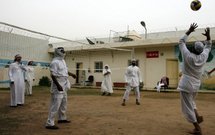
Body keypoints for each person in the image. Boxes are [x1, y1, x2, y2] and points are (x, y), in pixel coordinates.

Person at [177, 23, 211, 135]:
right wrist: (208, 36)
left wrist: (189, 30)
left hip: (186, 83)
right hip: (196, 84)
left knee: (187, 107)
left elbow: (181, 41)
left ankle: (197, 128)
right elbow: (208, 46)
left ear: (193, 49)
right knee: (191, 102)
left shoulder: (188, 55)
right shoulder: (204, 56)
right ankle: (197, 115)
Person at [45, 47, 76, 130]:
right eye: (62, 51)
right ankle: (49, 123)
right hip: (58, 84)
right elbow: (53, 75)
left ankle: (62, 118)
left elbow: (65, 71)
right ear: (58, 52)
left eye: (64, 50)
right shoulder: (54, 62)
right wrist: (58, 85)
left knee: (64, 102)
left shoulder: (63, 60)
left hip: (65, 83)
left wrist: (72, 74)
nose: (64, 52)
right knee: (56, 104)